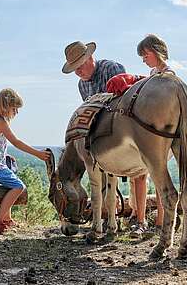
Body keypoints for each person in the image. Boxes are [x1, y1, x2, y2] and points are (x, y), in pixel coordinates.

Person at [62, 41, 150, 235]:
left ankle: (140, 218)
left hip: (121, 130)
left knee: (139, 175)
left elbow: (124, 100)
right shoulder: (82, 85)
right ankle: (113, 218)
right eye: (74, 69)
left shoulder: (112, 68)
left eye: (80, 66)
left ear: (90, 58)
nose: (78, 72)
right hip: (100, 137)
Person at [0, 88, 50, 235]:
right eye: (15, 109)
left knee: (11, 170)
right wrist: (38, 154)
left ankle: (7, 218)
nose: (16, 112)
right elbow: (17, 142)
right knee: (18, 186)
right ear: (6, 106)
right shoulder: (0, 122)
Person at [130, 33, 175, 235]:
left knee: (157, 177)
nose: (143, 59)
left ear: (153, 52)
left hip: (161, 135)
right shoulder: (152, 73)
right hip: (145, 133)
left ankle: (160, 221)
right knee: (139, 176)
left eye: (145, 54)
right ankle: (141, 220)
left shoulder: (169, 75)